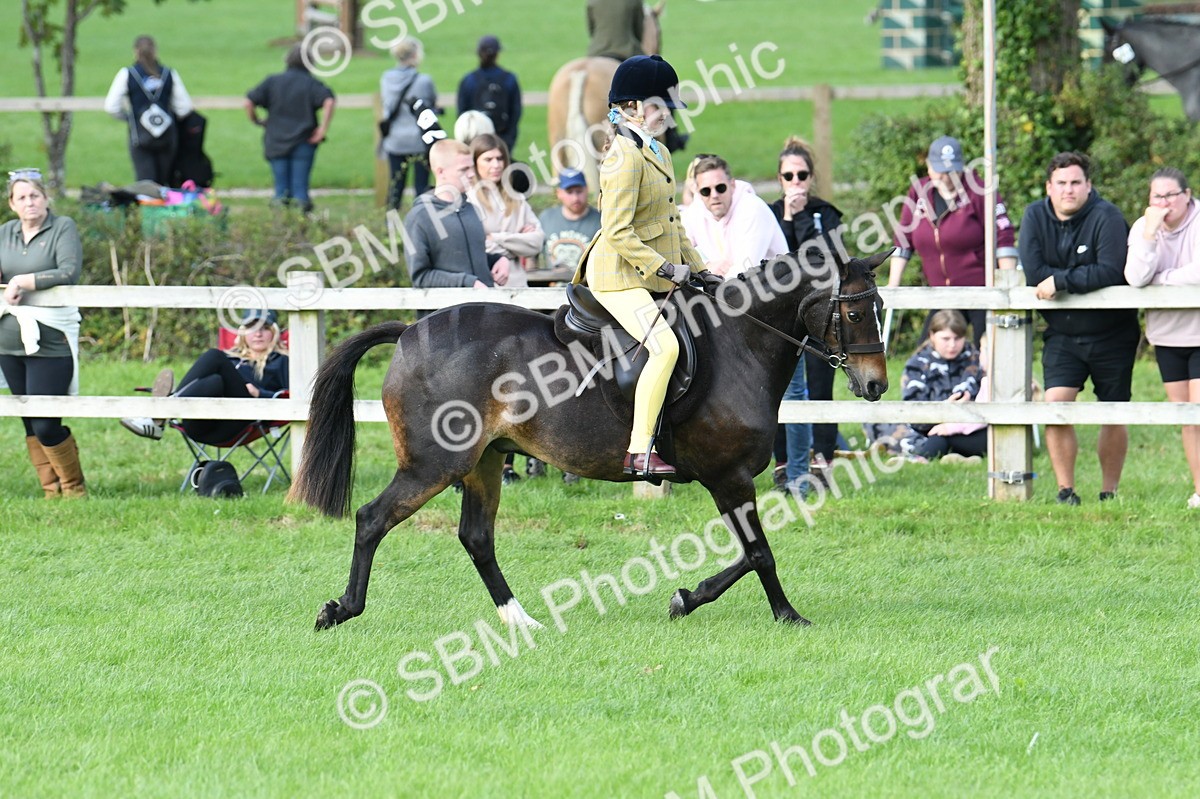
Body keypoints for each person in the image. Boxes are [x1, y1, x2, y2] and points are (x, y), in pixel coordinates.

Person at [571, 55, 719, 478]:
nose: (668, 116)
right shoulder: (624, 157)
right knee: (665, 346)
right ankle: (639, 450)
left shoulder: (658, 151)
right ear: (633, 107)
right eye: (661, 107)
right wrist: (669, 270)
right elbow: (616, 231)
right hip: (617, 277)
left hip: (647, 269)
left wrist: (700, 268)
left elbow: (672, 223)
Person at [681, 154, 806, 493]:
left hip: (783, 319)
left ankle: (797, 477)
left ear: (733, 186)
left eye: (721, 187)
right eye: (705, 191)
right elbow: (681, 264)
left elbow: (742, 280)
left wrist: (709, 269)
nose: (714, 195)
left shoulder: (753, 210)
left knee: (793, 398)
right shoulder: (695, 214)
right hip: (739, 321)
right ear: (696, 192)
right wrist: (712, 268)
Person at [1021, 151, 1138, 505]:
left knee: (1113, 411)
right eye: (1061, 183)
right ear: (1049, 187)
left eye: (1075, 183)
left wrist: (1062, 280)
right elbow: (1033, 273)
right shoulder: (1034, 215)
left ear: (1088, 185)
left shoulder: (1108, 216)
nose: (1068, 190)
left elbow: (1111, 271)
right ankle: (1065, 490)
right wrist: (1061, 279)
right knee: (1056, 406)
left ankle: (1109, 492)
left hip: (1113, 332)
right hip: (1062, 334)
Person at [0, 168, 86, 498]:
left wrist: (22, 281)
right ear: (12, 204)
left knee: (46, 423)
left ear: (46, 199)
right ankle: (51, 490)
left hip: (49, 340)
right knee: (27, 421)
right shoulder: (5, 232)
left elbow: (68, 271)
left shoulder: (62, 227)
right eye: (21, 197)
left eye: (34, 195)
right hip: (8, 342)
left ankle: (74, 488)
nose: (29, 202)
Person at [887, 135, 1018, 346]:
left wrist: (1006, 288)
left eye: (951, 171)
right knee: (927, 353)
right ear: (928, 166)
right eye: (940, 170)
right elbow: (903, 239)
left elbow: (1003, 237)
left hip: (981, 290)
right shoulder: (918, 192)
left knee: (987, 351)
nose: (946, 178)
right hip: (941, 293)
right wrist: (893, 286)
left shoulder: (981, 191)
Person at [770, 136, 845, 489]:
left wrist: (801, 218)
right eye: (788, 176)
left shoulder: (826, 215)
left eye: (801, 175)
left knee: (819, 386)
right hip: (782, 320)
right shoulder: (769, 214)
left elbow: (820, 261)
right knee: (779, 390)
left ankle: (823, 460)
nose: (795, 183)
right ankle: (783, 462)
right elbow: (777, 262)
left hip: (819, 316)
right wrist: (787, 217)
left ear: (811, 177)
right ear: (780, 178)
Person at [1124, 167, 1200, 508]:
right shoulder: (1144, 228)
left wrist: (1162, 278)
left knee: (1199, 412)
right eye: (1158, 196)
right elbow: (1137, 277)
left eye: (1171, 195)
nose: (1165, 202)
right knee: (1186, 417)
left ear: (1187, 195)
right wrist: (1150, 236)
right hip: (1167, 335)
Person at [120, 310, 289, 443]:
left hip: (242, 420)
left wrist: (260, 394)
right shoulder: (231, 357)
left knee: (215, 356)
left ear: (274, 332)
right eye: (252, 328)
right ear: (243, 333)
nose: (258, 334)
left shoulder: (282, 361)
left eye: (264, 328)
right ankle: (167, 408)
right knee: (215, 380)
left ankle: (162, 410)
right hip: (201, 423)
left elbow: (291, 399)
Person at [244, 45, 336, 213]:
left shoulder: (272, 81)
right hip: (304, 141)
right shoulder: (311, 83)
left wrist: (257, 120)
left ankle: (281, 226)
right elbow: (329, 101)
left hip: (276, 141)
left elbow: (249, 102)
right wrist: (322, 129)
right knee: (300, 189)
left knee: (281, 189)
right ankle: (302, 226)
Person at [103, 35, 195, 186]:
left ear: (135, 52)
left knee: (145, 183)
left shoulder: (128, 74)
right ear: (155, 51)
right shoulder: (168, 73)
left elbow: (111, 106)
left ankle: (147, 208)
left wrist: (129, 118)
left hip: (140, 137)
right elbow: (184, 107)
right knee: (164, 182)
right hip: (167, 136)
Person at [897, 311, 985, 461]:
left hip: (968, 427)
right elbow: (913, 413)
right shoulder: (917, 364)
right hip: (928, 429)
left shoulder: (977, 359)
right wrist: (945, 409)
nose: (952, 345)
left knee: (992, 436)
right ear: (932, 335)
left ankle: (941, 452)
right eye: (945, 339)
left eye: (958, 338)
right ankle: (947, 453)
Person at [467, 133, 544, 289]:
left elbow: (537, 243)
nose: (496, 165)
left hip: (517, 287)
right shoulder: (468, 200)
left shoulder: (517, 200)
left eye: (500, 158)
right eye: (488, 159)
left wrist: (495, 238)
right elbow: (473, 247)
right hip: (484, 285)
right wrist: (518, 241)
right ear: (474, 163)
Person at [380, 37, 438, 211]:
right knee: (421, 188)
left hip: (395, 140)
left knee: (395, 185)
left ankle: (390, 225)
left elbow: (388, 105)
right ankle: (421, 224)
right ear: (415, 54)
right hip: (419, 140)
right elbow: (430, 105)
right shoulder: (424, 81)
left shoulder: (386, 79)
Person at [456, 36, 522, 154]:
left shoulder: (468, 80)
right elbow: (515, 112)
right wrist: (508, 141)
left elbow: (462, 113)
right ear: (497, 54)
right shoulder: (509, 79)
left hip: (475, 141)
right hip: (502, 139)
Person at [538, 168, 602, 272]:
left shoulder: (600, 221)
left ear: (587, 189)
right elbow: (531, 254)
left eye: (579, 191)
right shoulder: (546, 218)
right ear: (559, 193)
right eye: (570, 192)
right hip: (553, 285)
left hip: (587, 286)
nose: (575, 198)